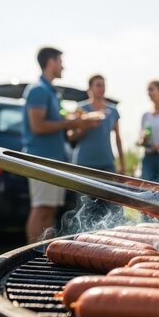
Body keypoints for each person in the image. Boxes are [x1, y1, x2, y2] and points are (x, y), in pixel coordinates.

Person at [22, 47, 99, 244]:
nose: (63, 66)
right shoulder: (38, 90)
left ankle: (43, 253)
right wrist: (73, 123)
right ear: (51, 62)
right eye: (60, 61)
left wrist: (75, 119)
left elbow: (56, 121)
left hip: (53, 159)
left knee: (51, 209)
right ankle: (31, 252)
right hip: (41, 158)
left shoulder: (52, 92)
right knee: (41, 208)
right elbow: (38, 126)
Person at [69, 75, 125, 173]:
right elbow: (71, 136)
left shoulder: (113, 111)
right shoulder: (81, 108)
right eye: (98, 85)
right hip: (83, 164)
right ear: (90, 88)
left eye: (103, 85)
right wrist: (85, 126)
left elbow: (118, 138)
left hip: (107, 164)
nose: (102, 88)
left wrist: (122, 163)